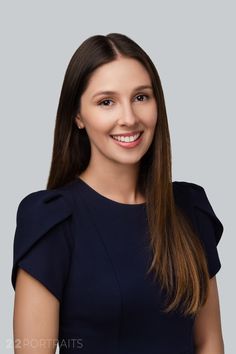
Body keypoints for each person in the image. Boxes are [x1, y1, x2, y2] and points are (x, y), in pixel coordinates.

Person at [11, 33, 224, 354]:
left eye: (141, 97)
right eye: (106, 102)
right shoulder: (51, 221)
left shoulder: (190, 210)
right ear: (78, 115)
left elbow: (208, 342)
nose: (129, 118)